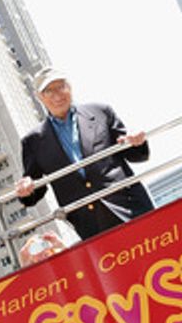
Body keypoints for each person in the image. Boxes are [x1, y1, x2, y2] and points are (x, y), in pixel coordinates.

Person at [15, 68, 153, 240]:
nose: (57, 95)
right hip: (90, 225)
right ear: (39, 97)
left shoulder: (101, 111)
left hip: (131, 207)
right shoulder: (32, 141)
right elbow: (34, 191)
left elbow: (137, 155)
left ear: (70, 87)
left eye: (61, 87)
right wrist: (26, 188)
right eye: (49, 91)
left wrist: (137, 141)